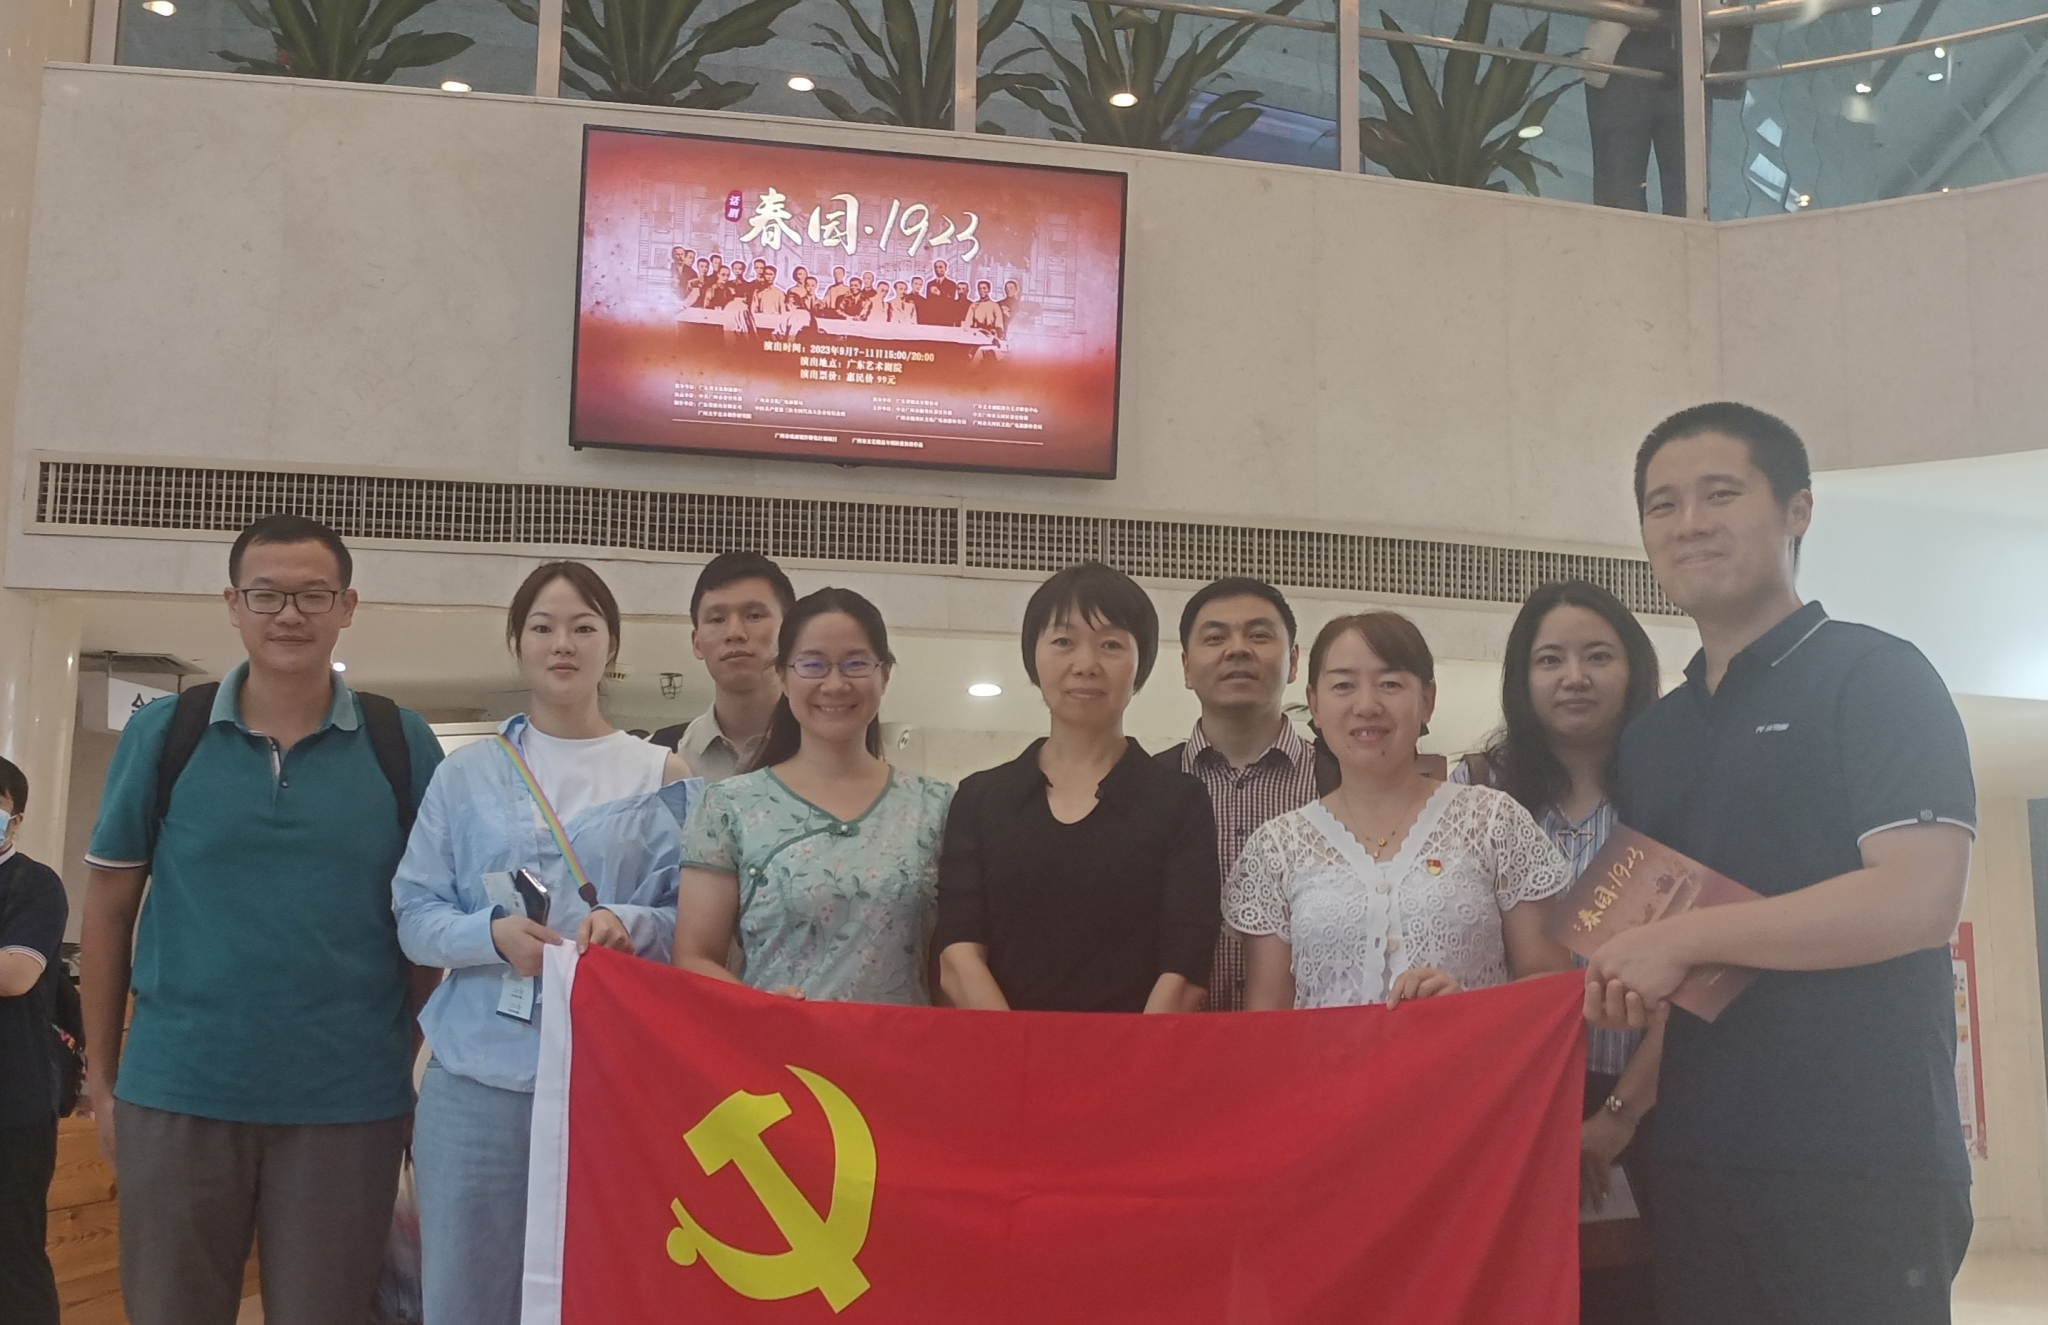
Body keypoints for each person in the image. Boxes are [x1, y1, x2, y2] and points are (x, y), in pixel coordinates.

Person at [1587, 403, 1977, 1325]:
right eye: (1663, 504)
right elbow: (1666, 954)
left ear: (1798, 509)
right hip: (1696, 1156)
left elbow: (1917, 897)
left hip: (1861, 1158)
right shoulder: (1653, 738)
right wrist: (1627, 980)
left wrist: (1683, 938)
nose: (1690, 522)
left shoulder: (1876, 676)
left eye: (1721, 494)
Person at [80, 514, 445, 1325]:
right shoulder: (165, 734)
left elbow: (425, 922)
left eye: (312, 595)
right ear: (232, 604)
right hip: (178, 1090)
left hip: (347, 1104)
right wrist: (103, 1083)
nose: (289, 614)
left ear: (347, 605)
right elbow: (107, 910)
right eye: (267, 594)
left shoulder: (400, 740)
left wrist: (406, 1066)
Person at [393, 560, 691, 1325]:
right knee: (465, 1295)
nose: (564, 643)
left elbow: (693, 921)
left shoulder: (661, 773)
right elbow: (413, 913)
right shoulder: (466, 775)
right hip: (478, 1080)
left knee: (602, 1290)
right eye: (544, 626)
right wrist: (488, 936)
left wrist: (633, 923)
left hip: (611, 1081)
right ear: (518, 642)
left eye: (584, 626)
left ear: (611, 645)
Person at [1451, 580, 1665, 1325]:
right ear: (1523, 677)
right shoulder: (1475, 790)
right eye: (1550, 659)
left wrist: (1619, 1115)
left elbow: (1701, 967)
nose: (1574, 677)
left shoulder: (1672, 793)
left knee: (1632, 1299)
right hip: (1507, 1103)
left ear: (1633, 668)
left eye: (1597, 656)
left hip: (1653, 1103)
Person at [1229, 611, 1574, 1012]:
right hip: (1330, 1057)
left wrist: (1468, 1010)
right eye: (1343, 685)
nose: (1366, 705)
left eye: (1390, 684)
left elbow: (1552, 983)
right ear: (1315, 705)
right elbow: (1268, 1015)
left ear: (1427, 700)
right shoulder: (1277, 847)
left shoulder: (1492, 821)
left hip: (1472, 1055)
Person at [936, 562, 1220, 1013]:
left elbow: (1185, 967)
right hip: (1005, 1051)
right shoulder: (980, 799)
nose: (1086, 665)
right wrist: (1020, 1048)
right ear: (1033, 656)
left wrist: (1129, 1055)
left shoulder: (1179, 802)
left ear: (1141, 663)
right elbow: (958, 956)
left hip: (1139, 1053)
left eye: (1111, 645)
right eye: (1063, 642)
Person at [673, 588, 951, 1003]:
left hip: (902, 1042)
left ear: (885, 674)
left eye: (856, 663)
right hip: (774, 1040)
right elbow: (694, 957)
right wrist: (761, 1008)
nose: (835, 684)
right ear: (783, 677)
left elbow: (951, 965)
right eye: (812, 664)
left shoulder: (937, 806)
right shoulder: (727, 806)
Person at [1156, 578, 1318, 1013]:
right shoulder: (1145, 787)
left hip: (1306, 1041)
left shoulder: (1339, 782)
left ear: (1294, 661)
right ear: (1186, 667)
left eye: (1259, 635)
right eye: (1215, 638)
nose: (1238, 649)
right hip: (1172, 1039)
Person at [0, 757, 67, 1325]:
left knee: (12, 1261)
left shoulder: (34, 884)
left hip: (12, 1106)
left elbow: (15, 974)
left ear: (15, 818)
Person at [650, 553, 796, 782]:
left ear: (789, 632)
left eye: (754, 615)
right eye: (717, 619)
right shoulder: (658, 758)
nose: (734, 633)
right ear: (696, 643)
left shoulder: (829, 752)